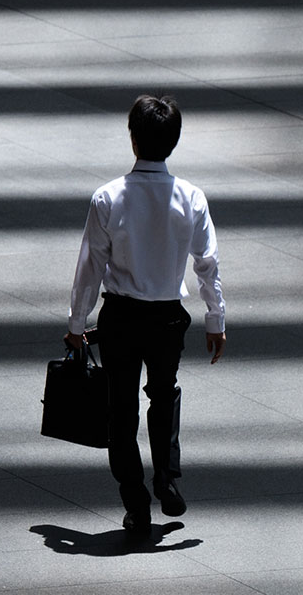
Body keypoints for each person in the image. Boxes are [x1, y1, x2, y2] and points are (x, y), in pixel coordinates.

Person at [65, 94, 226, 535]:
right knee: (164, 394)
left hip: (120, 316)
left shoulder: (108, 197)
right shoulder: (191, 197)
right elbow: (206, 263)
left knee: (121, 408)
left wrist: (78, 325)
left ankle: (135, 502)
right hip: (167, 318)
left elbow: (90, 267)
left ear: (133, 138)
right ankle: (167, 479)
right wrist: (216, 319)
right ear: (173, 142)